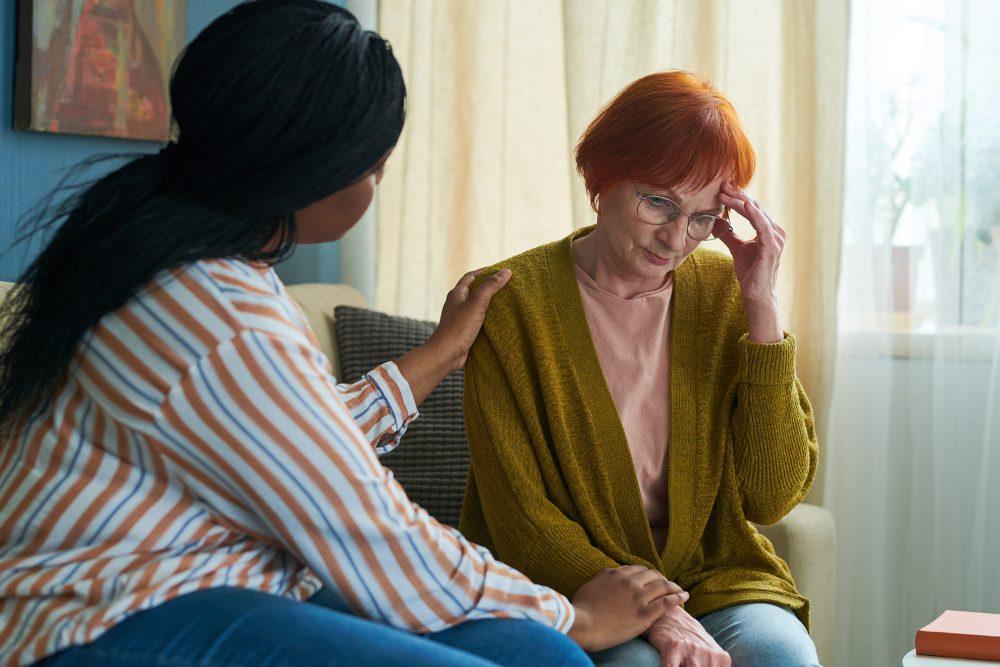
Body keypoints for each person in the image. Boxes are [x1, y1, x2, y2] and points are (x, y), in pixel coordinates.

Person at [0, 4, 687, 665]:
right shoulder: (221, 315)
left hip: (195, 572)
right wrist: (579, 614)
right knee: (542, 647)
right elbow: (371, 531)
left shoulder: (191, 255)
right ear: (315, 172)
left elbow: (294, 438)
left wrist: (441, 353)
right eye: (375, 163)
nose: (378, 179)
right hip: (91, 611)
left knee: (536, 653)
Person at [459, 71, 822, 667]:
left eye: (704, 217)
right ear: (602, 177)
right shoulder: (508, 303)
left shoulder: (727, 296)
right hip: (575, 588)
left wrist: (761, 308)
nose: (677, 239)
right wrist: (657, 610)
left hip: (712, 580)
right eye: (659, 202)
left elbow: (771, 496)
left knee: (781, 656)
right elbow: (521, 516)